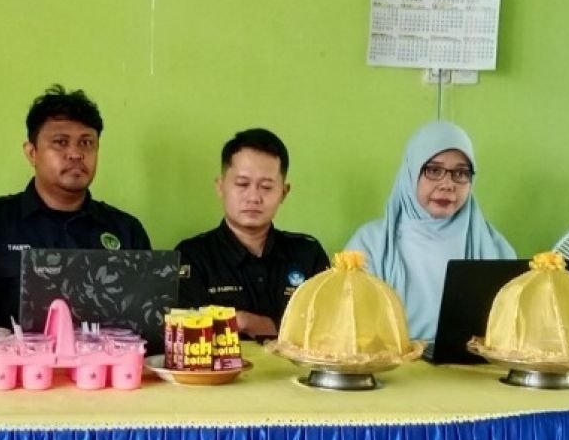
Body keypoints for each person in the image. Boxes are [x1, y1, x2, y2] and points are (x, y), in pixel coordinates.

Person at [0, 85, 151, 337]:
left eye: (86, 142)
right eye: (60, 142)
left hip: (105, 363)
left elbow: (146, 329)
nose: (75, 154)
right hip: (11, 363)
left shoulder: (126, 231)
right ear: (32, 153)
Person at [344, 120, 514, 341]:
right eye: (434, 170)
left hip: (471, 362)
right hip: (388, 361)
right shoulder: (370, 244)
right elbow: (350, 326)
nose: (448, 184)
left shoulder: (494, 247)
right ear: (411, 172)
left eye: (460, 173)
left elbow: (510, 329)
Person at [174, 129, 328, 339]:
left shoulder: (308, 254)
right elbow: (188, 335)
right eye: (242, 184)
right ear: (220, 187)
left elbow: (327, 330)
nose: (254, 197)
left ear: (284, 193)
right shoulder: (191, 257)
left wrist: (248, 322)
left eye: (266, 187)